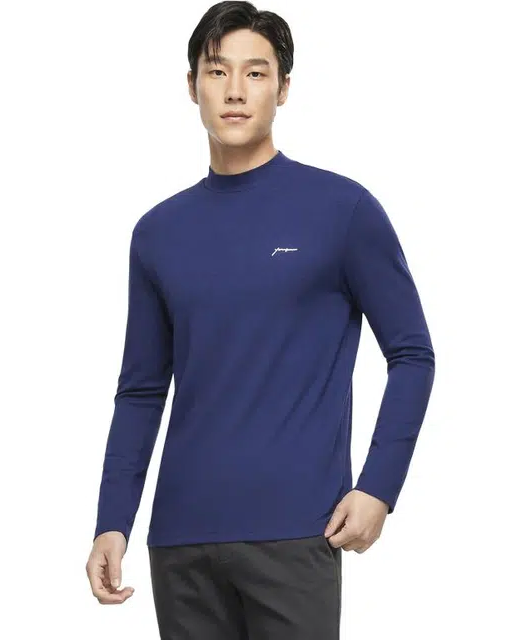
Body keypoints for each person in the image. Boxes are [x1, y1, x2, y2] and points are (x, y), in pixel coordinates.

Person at [85, 1, 435, 637]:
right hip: (181, 539)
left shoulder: (342, 210)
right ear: (192, 85)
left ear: (283, 88)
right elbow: (140, 390)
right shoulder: (158, 232)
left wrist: (379, 487)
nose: (235, 91)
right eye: (217, 71)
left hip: (297, 530)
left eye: (256, 73)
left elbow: (412, 354)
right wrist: (113, 521)